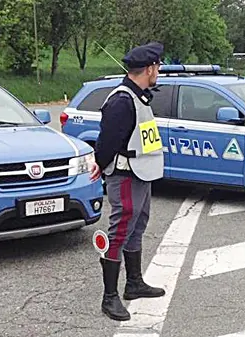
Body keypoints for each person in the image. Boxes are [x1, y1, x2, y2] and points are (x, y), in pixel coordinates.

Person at [94, 41, 167, 321]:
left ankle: (134, 283)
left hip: (142, 173)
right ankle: (109, 297)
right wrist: (100, 167)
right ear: (149, 68)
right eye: (157, 66)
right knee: (120, 229)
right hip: (125, 176)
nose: (159, 70)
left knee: (137, 226)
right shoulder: (122, 100)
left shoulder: (140, 95)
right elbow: (107, 143)